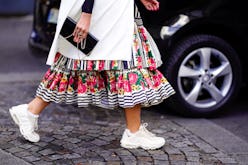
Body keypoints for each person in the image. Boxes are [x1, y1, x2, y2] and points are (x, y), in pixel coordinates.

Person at [9, 0, 175, 150]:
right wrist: (86, 13)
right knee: (120, 64)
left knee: (94, 65)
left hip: (113, 11)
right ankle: (134, 132)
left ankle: (30, 111)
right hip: (102, 11)